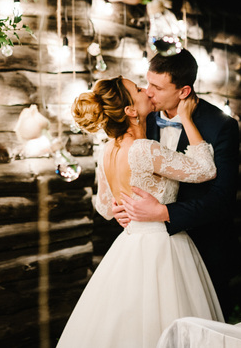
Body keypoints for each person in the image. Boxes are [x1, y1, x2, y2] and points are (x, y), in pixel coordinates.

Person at [56, 76, 223, 348]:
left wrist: (122, 211)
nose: (146, 91)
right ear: (130, 111)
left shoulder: (107, 149)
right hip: (163, 245)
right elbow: (206, 170)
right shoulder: (145, 149)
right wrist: (187, 119)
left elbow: (104, 208)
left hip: (129, 245)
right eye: (138, 89)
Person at [114, 49, 240, 316]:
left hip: (204, 249)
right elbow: (131, 170)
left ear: (183, 91)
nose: (148, 92)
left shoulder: (221, 126)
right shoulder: (141, 119)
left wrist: (164, 213)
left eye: (157, 87)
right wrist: (121, 203)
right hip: (150, 253)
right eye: (147, 83)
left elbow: (222, 200)